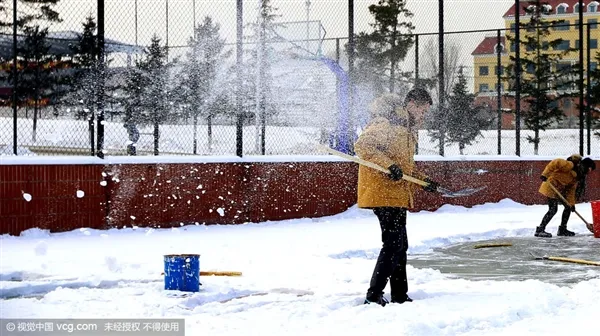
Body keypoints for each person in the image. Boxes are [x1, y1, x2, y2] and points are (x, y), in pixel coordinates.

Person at [353, 88, 439, 307]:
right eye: (421, 109)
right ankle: (373, 295)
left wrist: (424, 180)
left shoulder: (407, 130)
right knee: (393, 244)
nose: (423, 114)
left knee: (401, 245)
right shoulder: (387, 122)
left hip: (397, 194)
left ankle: (400, 294)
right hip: (383, 192)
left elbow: (404, 167)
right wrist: (388, 166)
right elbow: (363, 146)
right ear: (410, 103)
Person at [535, 154, 596, 238]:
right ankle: (540, 230)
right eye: (589, 169)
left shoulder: (578, 176)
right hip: (550, 185)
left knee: (568, 207)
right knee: (553, 209)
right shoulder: (569, 165)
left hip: (558, 190)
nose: (588, 172)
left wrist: (572, 204)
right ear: (585, 166)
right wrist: (545, 174)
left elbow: (571, 191)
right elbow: (555, 162)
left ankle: (562, 229)